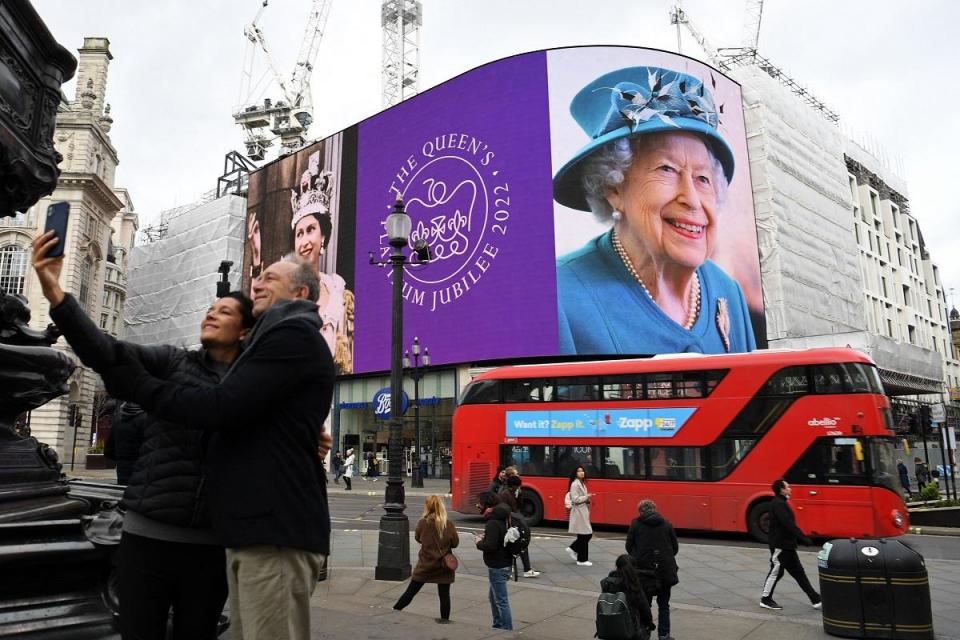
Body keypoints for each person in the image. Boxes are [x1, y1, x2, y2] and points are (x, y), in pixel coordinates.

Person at [31, 230, 255, 640]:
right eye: (209, 308)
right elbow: (107, 352)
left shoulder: (252, 388)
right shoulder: (172, 362)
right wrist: (55, 293)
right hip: (146, 538)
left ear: (244, 332)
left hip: (211, 547)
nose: (210, 314)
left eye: (223, 311)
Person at [100, 255, 335, 640]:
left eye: (270, 278)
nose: (256, 283)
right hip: (254, 532)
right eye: (257, 276)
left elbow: (222, 406)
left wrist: (141, 388)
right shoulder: (275, 339)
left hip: (273, 532)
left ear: (301, 292)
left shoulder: (291, 334)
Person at [552, 65, 756, 355]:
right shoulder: (559, 296)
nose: (693, 200)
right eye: (667, 169)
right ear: (614, 187)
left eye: (703, 178)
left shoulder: (729, 293)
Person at [290, 150, 355, 374]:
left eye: (310, 230)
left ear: (323, 236)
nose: (305, 240)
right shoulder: (286, 291)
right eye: (299, 234)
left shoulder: (339, 291)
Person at [392, 495, 460, 623]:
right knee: (444, 595)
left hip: (426, 565)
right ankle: (445, 621)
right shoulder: (448, 524)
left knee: (411, 591)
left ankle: (394, 610)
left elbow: (418, 538)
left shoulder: (423, 523)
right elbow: (455, 543)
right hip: (443, 566)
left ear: (427, 507)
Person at [759, 479, 822, 611]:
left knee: (799, 573)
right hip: (780, 545)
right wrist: (804, 539)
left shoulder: (781, 502)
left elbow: (788, 524)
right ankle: (765, 599)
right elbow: (788, 524)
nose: (790, 489)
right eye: (788, 487)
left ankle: (815, 599)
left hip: (787, 545)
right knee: (776, 572)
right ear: (782, 489)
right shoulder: (778, 504)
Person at [626, 500, 679, 640]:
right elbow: (675, 548)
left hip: (644, 573)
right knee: (664, 605)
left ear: (640, 511)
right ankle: (664, 635)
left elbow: (628, 547)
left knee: (645, 604)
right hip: (664, 572)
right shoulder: (667, 524)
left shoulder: (635, 524)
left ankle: (644, 633)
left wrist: (640, 557)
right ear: (655, 509)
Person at [474, 491, 514, 631]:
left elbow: (490, 546)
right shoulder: (502, 517)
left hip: (497, 566)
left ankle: (506, 630)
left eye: (479, 503)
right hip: (505, 563)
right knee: (493, 598)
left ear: (486, 504)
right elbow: (499, 539)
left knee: (501, 601)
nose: (477, 505)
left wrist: (479, 542)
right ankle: (497, 625)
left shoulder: (492, 522)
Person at [600, 554, 656, 640]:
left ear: (617, 566)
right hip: (630, 627)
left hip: (611, 624)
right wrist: (649, 624)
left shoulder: (609, 583)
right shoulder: (634, 584)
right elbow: (645, 608)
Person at [498, 475, 539, 577]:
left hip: (516, 522)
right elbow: (505, 509)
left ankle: (525, 569)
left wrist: (519, 496)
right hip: (511, 523)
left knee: (520, 544)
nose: (519, 488)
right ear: (513, 486)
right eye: (518, 486)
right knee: (516, 544)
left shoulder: (515, 493)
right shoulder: (505, 494)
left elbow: (520, 506)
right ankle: (522, 569)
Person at [104, 400, 145, 485]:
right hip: (143, 470)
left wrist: (122, 458)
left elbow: (109, 451)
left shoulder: (117, 420)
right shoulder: (146, 418)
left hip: (122, 470)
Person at [566, 466, 594, 566]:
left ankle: (574, 550)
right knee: (586, 534)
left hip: (582, 511)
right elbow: (575, 499)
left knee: (584, 535)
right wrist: (587, 497)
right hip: (579, 512)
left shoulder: (581, 483)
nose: (581, 473)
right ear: (575, 473)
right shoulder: (575, 484)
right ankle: (581, 559)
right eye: (579, 471)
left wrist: (587, 498)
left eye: (582, 471)